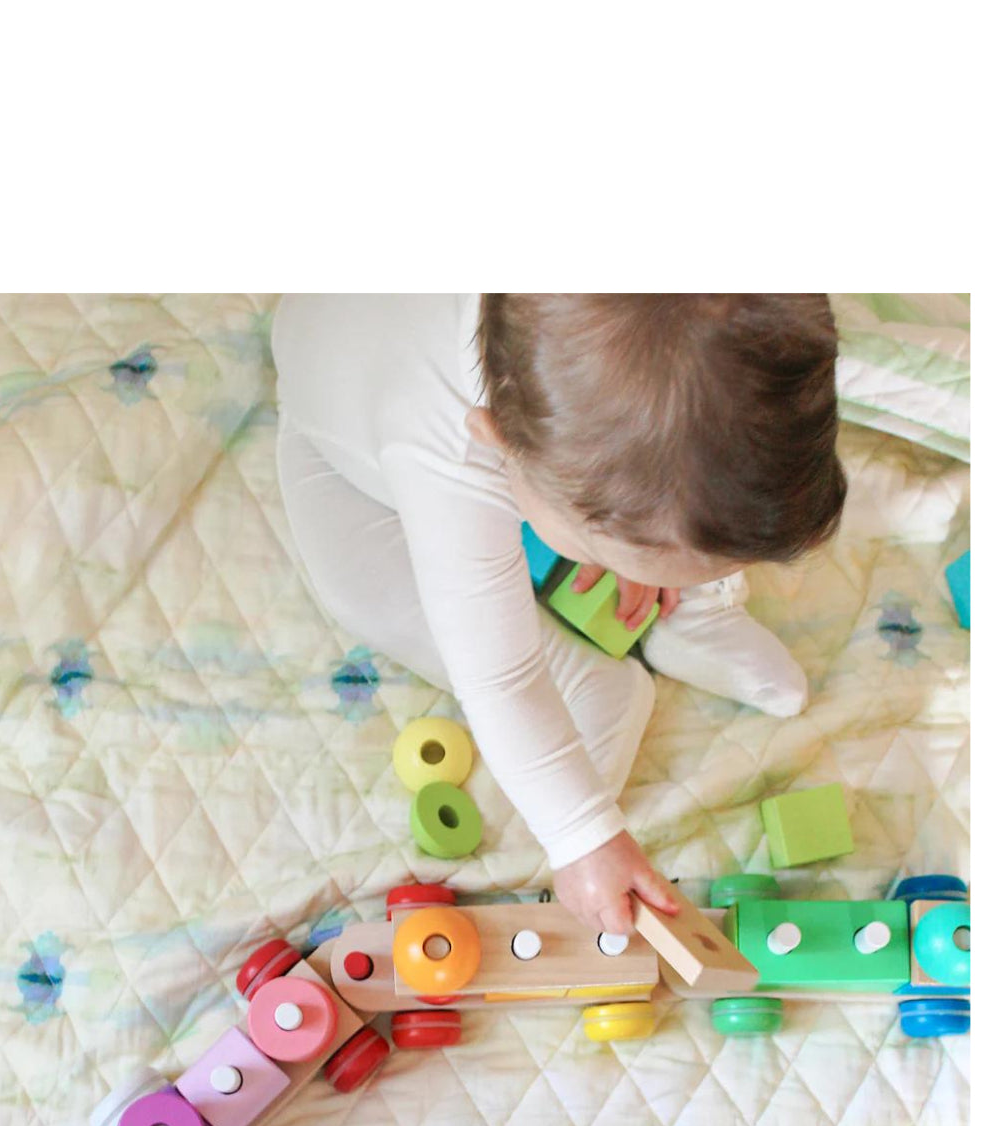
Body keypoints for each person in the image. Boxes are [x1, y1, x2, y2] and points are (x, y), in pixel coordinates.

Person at [272, 294, 846, 935]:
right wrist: (582, 835)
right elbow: (500, 680)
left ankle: (693, 601)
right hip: (340, 450)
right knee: (358, 586)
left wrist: (634, 540)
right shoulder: (449, 456)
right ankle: (592, 676)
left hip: (520, 435)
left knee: (696, 472)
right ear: (501, 446)